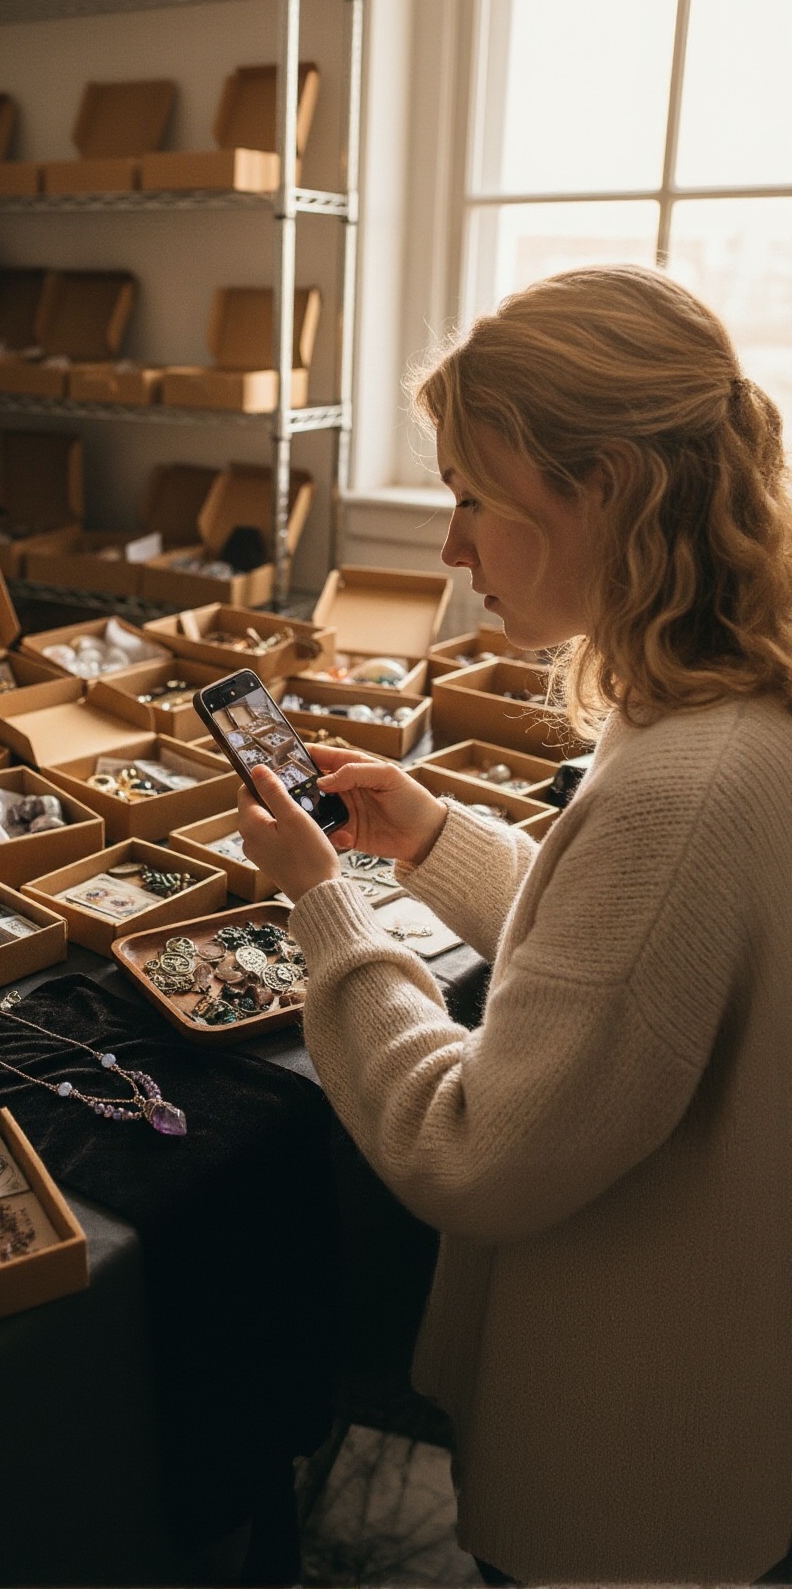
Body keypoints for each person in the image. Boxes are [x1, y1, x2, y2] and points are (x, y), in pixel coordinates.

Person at [238, 265, 792, 1585]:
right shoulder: (732, 712)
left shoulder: (686, 781)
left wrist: (327, 905)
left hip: (634, 1470)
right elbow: (638, 971)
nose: (452, 546)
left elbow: (469, 1149)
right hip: (714, 1400)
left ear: (598, 488)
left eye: (474, 495)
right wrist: (434, 845)